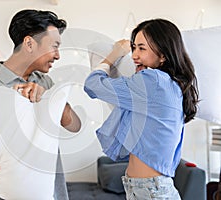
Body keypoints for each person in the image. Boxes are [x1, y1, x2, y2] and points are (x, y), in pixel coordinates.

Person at [84, 18, 199, 199]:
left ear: (163, 55)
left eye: (141, 48)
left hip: (151, 192)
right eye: (133, 48)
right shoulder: (169, 85)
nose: (134, 55)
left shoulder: (152, 81)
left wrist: (114, 54)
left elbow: (93, 84)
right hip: (148, 189)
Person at [0, 9, 81, 200]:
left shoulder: (45, 82)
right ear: (29, 43)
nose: (57, 56)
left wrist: (49, 99)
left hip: (54, 193)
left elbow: (74, 126)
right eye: (54, 46)